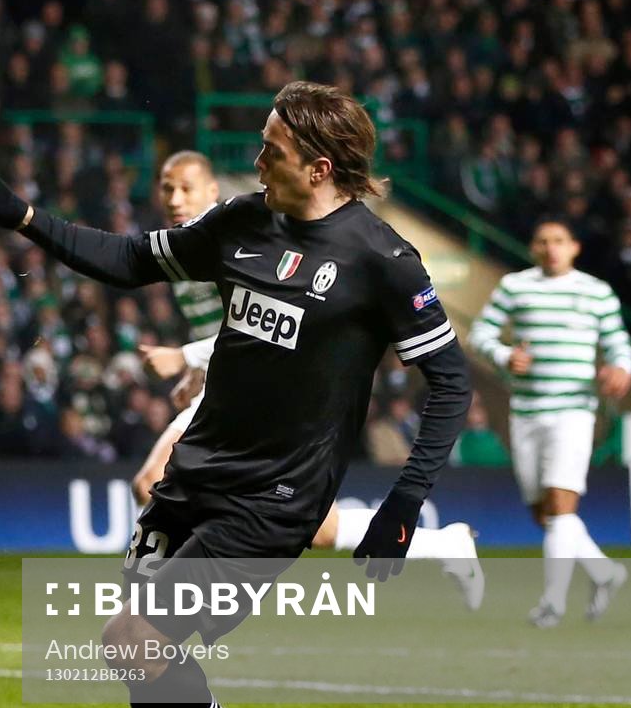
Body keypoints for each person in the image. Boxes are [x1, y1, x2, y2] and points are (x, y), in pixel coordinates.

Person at [0, 81, 470, 708]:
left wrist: (404, 501)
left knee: (136, 634)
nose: (256, 159)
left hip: (276, 497)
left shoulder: (382, 261)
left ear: (320, 166)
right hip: (196, 474)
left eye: (273, 149)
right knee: (131, 650)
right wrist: (27, 221)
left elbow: (450, 382)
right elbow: (132, 259)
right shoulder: (241, 222)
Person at [134, 152, 483, 608]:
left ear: (212, 193)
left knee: (153, 480)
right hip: (226, 390)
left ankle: (174, 605)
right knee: (316, 529)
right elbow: (235, 330)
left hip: (267, 398)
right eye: (167, 189)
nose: (176, 199)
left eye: (187, 189)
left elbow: (278, 326)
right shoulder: (187, 246)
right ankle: (446, 545)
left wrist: (184, 356)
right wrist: (200, 367)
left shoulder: (238, 233)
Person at [469, 218, 631, 626]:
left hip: (573, 411)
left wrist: (621, 369)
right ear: (532, 248)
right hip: (526, 411)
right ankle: (604, 573)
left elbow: (619, 345)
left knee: (561, 506)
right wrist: (506, 355)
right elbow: (480, 333)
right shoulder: (515, 287)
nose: (551, 248)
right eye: (543, 241)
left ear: (574, 247)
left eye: (559, 241)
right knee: (544, 514)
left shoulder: (596, 292)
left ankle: (552, 603)